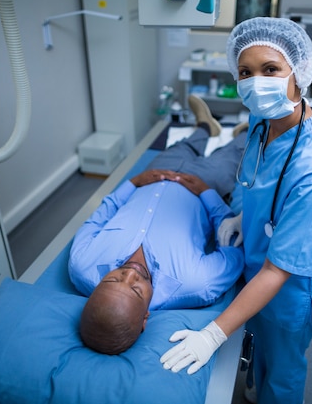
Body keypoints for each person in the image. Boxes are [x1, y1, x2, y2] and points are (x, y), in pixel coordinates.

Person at [160, 17, 312, 404]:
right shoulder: (264, 117)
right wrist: (241, 216)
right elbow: (254, 174)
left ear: (299, 74)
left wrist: (212, 335)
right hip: (263, 258)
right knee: (259, 341)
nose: (256, 83)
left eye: (270, 69)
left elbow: (277, 272)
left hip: (297, 290)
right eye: (245, 72)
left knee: (282, 369)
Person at [68, 95, 248, 355]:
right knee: (232, 155)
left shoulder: (82, 265)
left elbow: (98, 217)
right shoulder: (196, 283)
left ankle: (205, 127)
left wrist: (133, 182)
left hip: (152, 176)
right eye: (136, 290)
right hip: (203, 185)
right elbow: (233, 245)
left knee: (182, 146)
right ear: (145, 318)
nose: (130, 273)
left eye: (112, 280)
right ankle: (242, 133)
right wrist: (207, 194)